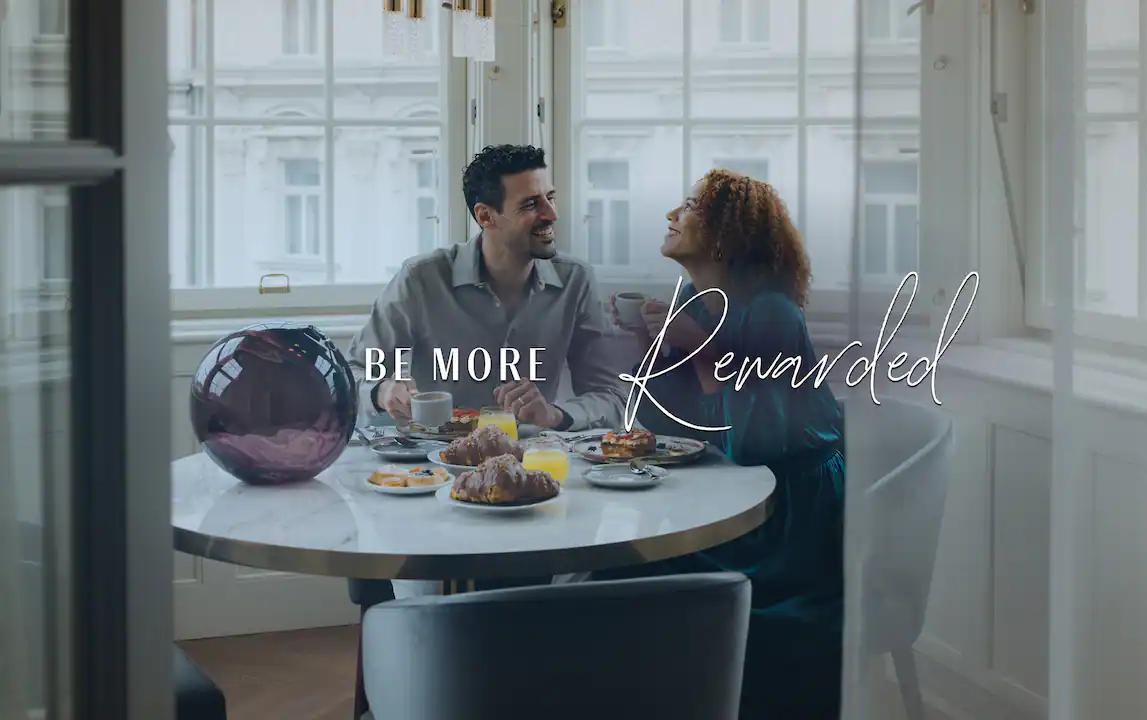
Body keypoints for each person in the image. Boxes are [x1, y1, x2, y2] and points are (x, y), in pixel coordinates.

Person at [600, 169, 846, 719]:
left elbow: (753, 445)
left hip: (790, 516)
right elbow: (677, 419)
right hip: (743, 495)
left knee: (623, 572)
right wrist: (652, 346)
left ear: (724, 233)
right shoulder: (695, 298)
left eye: (687, 206)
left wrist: (707, 356)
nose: (671, 215)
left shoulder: (772, 313)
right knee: (615, 571)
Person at [348, 144, 627, 596]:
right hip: (432, 477)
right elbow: (355, 371)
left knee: (584, 574)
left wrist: (555, 415)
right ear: (486, 216)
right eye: (531, 204)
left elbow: (613, 395)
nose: (551, 213)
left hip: (533, 478)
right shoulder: (421, 279)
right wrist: (384, 390)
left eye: (550, 197)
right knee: (427, 610)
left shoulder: (575, 281)